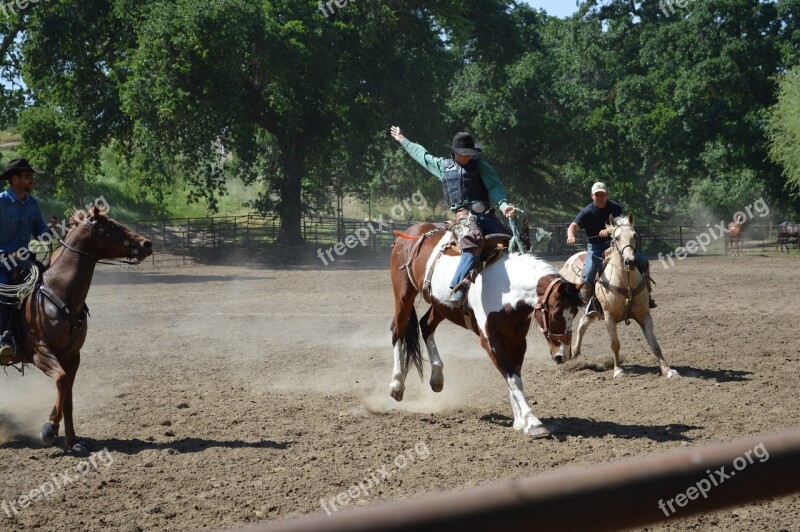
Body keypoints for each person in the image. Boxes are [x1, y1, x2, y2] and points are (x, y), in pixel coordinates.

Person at [390, 126, 517, 305]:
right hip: (464, 216)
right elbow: (423, 156)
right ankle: (459, 286)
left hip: (486, 216)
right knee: (472, 239)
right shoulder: (443, 166)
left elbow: (495, 188)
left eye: (470, 153)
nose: (468, 156)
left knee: (512, 242)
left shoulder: (482, 167)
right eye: (464, 153)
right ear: (455, 152)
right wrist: (403, 140)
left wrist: (504, 206)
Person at [566, 181, 655, 315]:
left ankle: (647, 296)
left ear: (607, 195)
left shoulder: (615, 208)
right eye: (597, 195)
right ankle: (591, 303)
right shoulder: (586, 212)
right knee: (589, 271)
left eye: (602, 194)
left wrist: (608, 231)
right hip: (595, 247)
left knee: (643, 262)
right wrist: (571, 235)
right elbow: (573, 226)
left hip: (615, 245)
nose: (600, 197)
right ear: (592, 196)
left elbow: (620, 225)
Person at [0, 158, 50, 365]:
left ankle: (45, 335)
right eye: (28, 176)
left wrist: (52, 235)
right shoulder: (1, 202)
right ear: (15, 179)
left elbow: (41, 229)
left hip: (25, 260)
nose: (32, 181)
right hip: (2, 263)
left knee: (49, 287)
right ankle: (4, 337)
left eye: (32, 177)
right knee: (4, 293)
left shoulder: (33, 203)